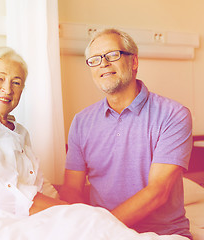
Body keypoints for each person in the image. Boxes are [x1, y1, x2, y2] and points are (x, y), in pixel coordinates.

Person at [0, 46, 188, 240]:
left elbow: (39, 184)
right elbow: (6, 193)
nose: (7, 89)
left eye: (16, 82)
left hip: (27, 214)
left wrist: (71, 210)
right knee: (89, 222)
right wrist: (75, 213)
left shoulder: (19, 132)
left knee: (89, 222)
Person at [60, 28, 193, 239]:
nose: (103, 63)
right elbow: (72, 189)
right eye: (94, 59)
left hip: (161, 233)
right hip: (103, 232)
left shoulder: (174, 115)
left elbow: (158, 192)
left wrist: (98, 229)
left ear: (134, 62)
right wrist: (84, 225)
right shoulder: (81, 122)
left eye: (112, 55)